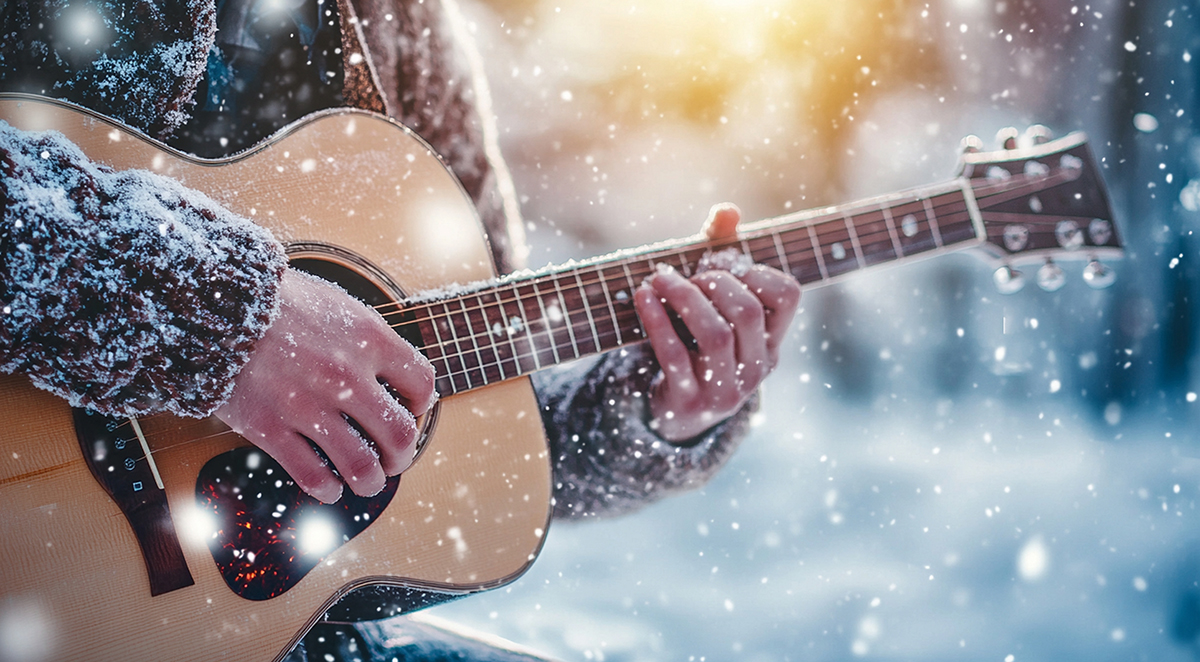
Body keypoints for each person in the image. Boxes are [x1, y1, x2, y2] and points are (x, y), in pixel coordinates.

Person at [0, 0, 801, 658]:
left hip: (242, 623)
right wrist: (222, 322)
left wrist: (653, 405)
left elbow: (464, 408)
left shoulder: (404, 24)